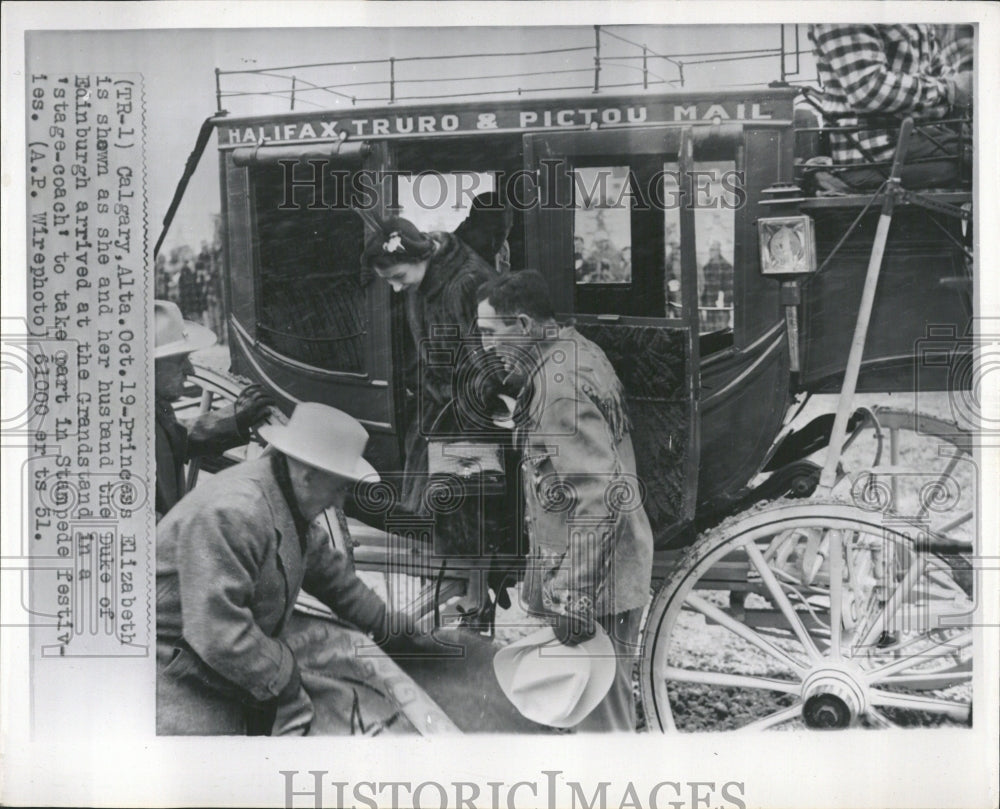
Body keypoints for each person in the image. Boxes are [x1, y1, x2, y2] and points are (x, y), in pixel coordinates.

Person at [156, 402, 426, 735]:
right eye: (339, 488)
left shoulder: (283, 493)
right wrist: (284, 677)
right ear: (309, 475)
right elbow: (217, 634)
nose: (340, 502)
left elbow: (326, 570)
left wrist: (383, 620)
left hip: (231, 644)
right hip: (175, 663)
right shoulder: (234, 513)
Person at [476, 271, 654, 731]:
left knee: (601, 726)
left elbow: (597, 497)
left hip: (593, 584)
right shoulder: (577, 351)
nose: (485, 347)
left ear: (523, 325)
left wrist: (574, 600)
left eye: (490, 333)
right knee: (596, 716)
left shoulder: (559, 386)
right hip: (607, 570)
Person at [808, 24, 972, 189]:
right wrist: (948, 88)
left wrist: (962, 83)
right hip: (876, 154)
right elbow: (869, 89)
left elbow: (936, 70)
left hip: (923, 141)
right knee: (982, 162)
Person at [154, 299, 273, 519]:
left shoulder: (154, 411)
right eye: (180, 360)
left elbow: (177, 438)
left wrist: (233, 419)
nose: (190, 371)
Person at [453, 191, 513, 275]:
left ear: (509, 228)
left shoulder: (503, 249)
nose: (492, 244)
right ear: (469, 224)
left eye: (500, 235)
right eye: (485, 232)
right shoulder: (446, 253)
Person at [699, 241, 733, 332]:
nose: (711, 252)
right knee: (710, 329)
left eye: (714, 249)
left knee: (722, 329)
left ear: (719, 250)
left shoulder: (727, 266)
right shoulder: (706, 267)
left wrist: (723, 300)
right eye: (710, 249)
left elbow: (729, 287)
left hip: (721, 304)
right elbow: (703, 286)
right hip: (709, 304)